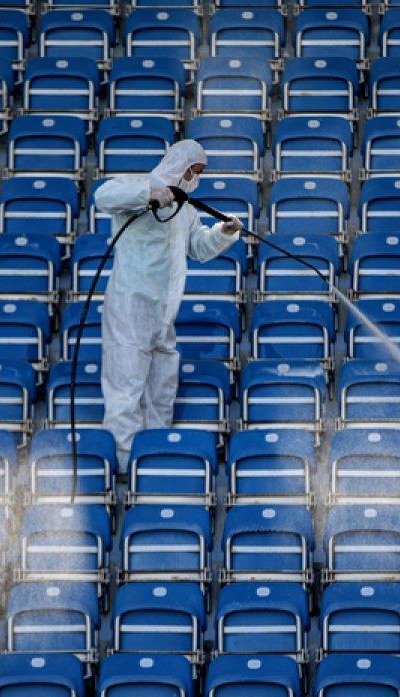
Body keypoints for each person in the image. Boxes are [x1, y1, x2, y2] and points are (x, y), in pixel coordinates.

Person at [93, 140, 242, 469]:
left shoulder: (186, 209)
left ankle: (153, 458)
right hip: (131, 304)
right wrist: (149, 194)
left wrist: (223, 231)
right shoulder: (137, 187)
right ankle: (123, 468)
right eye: (195, 172)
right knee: (126, 388)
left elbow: (199, 248)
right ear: (182, 165)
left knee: (161, 388)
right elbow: (103, 197)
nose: (196, 179)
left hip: (164, 311)